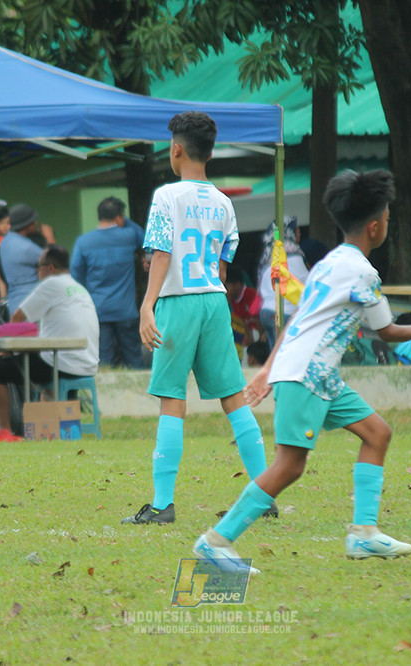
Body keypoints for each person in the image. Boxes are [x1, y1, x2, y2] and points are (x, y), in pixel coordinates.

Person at [191, 169, 411, 573]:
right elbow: (387, 330)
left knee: (377, 432)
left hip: (318, 375)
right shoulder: (363, 272)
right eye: (389, 218)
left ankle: (363, 533)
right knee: (290, 466)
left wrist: (265, 371)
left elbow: (295, 321)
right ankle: (215, 541)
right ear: (377, 226)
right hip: (308, 376)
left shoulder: (328, 264)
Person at [122, 111, 273, 525]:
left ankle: (162, 505)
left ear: (175, 149)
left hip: (179, 301)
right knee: (233, 397)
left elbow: (162, 253)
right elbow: (224, 266)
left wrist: (148, 304)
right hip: (214, 301)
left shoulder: (167, 196)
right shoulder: (224, 203)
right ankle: (264, 493)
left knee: (173, 399)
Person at [0, 244, 99, 441]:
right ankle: (48, 428)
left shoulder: (51, 285)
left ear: (50, 268)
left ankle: (4, 431)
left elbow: (18, 319)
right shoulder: (78, 288)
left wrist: (11, 351)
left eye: (39, 266)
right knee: (33, 364)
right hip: (86, 363)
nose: (36, 271)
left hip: (61, 362)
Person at [70, 196, 145, 369]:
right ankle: (142, 396)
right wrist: (126, 221)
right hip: (126, 311)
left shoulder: (83, 242)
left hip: (98, 312)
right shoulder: (129, 235)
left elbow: (76, 277)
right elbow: (146, 239)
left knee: (104, 362)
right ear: (119, 217)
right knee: (134, 360)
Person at [257, 216, 309, 351]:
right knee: (285, 356)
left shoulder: (270, 252)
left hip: (266, 312)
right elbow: (306, 284)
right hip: (283, 312)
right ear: (288, 231)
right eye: (296, 230)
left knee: (275, 356)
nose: (299, 233)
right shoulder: (292, 253)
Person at [0, 203, 46, 320]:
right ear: (25, 225)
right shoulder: (25, 247)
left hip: (15, 302)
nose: (36, 223)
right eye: (33, 220)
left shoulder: (6, 241)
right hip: (30, 305)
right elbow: (55, 261)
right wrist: (49, 238)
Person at [224, 264, 262, 360]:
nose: (225, 291)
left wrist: (260, 341)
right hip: (249, 335)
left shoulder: (251, 294)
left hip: (261, 333)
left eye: (227, 287)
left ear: (237, 285)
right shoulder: (233, 300)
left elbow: (259, 317)